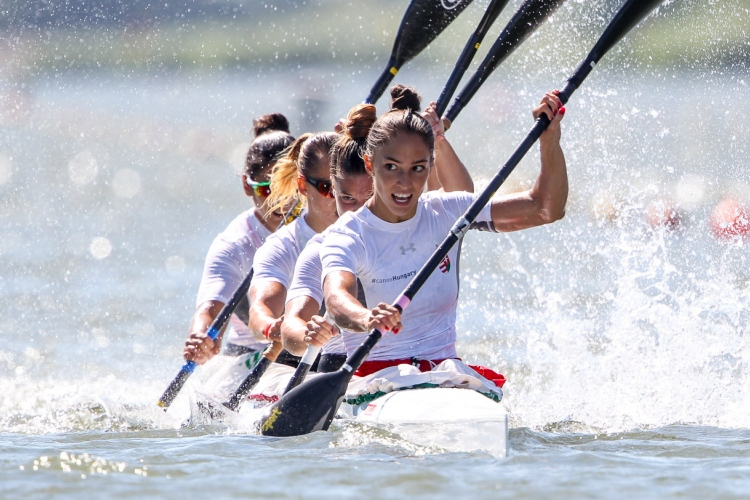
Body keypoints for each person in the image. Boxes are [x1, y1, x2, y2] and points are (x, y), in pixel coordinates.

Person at [315, 89, 566, 385]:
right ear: (370, 165)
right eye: (391, 167)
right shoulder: (346, 235)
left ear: (431, 164)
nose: (405, 183)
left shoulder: (448, 211)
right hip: (376, 378)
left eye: (418, 168)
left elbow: (546, 209)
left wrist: (549, 142)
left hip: (446, 373)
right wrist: (367, 318)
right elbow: (336, 298)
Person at [281, 86, 474, 371]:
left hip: (425, 364)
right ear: (333, 192)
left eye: (367, 196)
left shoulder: (414, 226)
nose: (359, 208)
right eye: (347, 198)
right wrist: (306, 334)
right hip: (343, 368)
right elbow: (291, 329)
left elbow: (464, 201)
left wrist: (439, 142)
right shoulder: (322, 248)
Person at [183, 114, 294, 365]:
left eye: (288, 188)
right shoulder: (235, 245)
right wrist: (201, 339)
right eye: (267, 188)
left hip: (315, 350)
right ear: (247, 185)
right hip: (251, 355)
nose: (281, 201)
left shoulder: (324, 223)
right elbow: (209, 311)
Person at [246, 130, 340, 367]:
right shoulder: (283, 245)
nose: (339, 196)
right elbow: (260, 310)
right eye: (328, 187)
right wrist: (272, 326)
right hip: (292, 359)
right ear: (303, 186)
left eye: (345, 185)